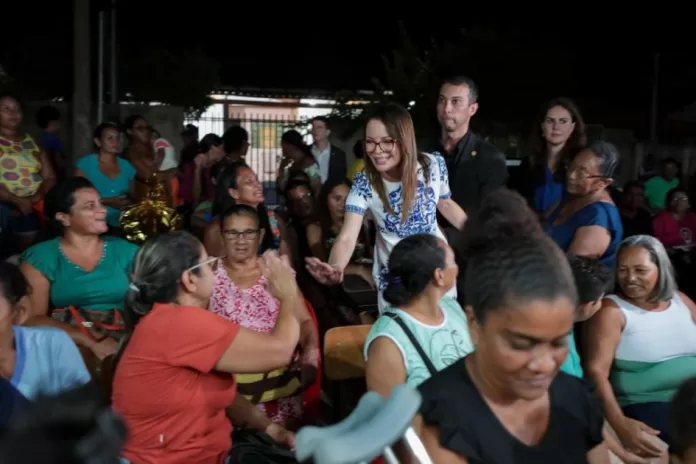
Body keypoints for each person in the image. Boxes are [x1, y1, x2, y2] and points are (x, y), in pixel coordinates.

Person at [416, 188, 609, 463]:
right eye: (521, 344)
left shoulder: (575, 398)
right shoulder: (438, 421)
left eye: (558, 342)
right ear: (474, 325)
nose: (544, 364)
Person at [112, 231, 298, 463]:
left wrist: (272, 429)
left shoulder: (166, 318)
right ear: (190, 279)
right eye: (210, 264)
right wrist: (289, 293)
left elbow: (223, 397)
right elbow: (281, 351)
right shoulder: (180, 323)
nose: (216, 271)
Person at [305, 103, 467, 312]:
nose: (377, 151)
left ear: (404, 140)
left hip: (437, 272)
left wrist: (479, 234)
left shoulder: (432, 166)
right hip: (395, 281)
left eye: (386, 142)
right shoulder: (365, 183)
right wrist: (336, 267)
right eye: (370, 142)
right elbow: (347, 237)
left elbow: (445, 203)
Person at [364, 233, 473, 396]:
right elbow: (386, 417)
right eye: (453, 261)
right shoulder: (387, 342)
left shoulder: (451, 308)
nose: (457, 267)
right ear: (439, 276)